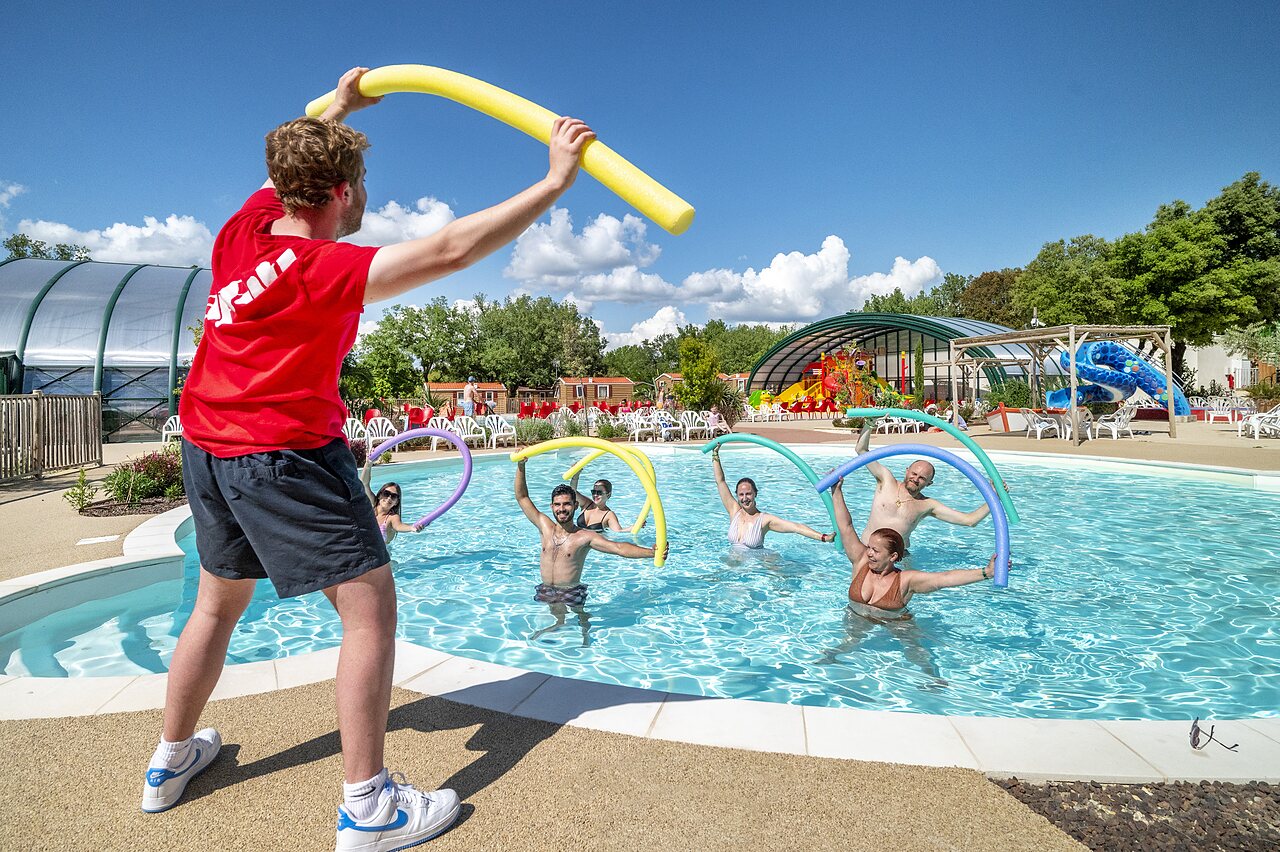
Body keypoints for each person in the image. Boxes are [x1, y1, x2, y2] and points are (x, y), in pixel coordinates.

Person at [149, 66, 595, 851]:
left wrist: (339, 106)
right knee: (371, 611)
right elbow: (454, 249)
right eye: (362, 183)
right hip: (282, 455)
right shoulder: (328, 270)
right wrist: (554, 180)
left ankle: (171, 760)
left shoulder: (243, 231)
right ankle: (368, 808)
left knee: (216, 607)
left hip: (207, 446)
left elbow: (283, 164)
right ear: (343, 192)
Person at [514, 459, 667, 642]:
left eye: (567, 504)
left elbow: (618, 548)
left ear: (575, 506)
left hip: (571, 589)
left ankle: (585, 627)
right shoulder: (545, 527)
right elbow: (522, 498)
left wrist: (651, 552)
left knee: (579, 613)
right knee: (558, 615)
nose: (562, 509)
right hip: (548, 588)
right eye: (557, 505)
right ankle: (558, 624)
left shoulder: (584, 537)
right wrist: (521, 466)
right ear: (552, 507)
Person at [828, 478, 996, 614]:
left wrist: (986, 573)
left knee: (918, 655)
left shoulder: (906, 580)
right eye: (870, 547)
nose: (869, 553)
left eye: (876, 550)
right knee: (833, 653)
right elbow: (846, 527)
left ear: (893, 557)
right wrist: (836, 491)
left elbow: (944, 579)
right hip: (856, 620)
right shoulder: (861, 560)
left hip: (896, 626)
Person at [852, 422, 991, 550]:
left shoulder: (927, 505)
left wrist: (995, 496)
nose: (915, 479)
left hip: (898, 558)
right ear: (907, 471)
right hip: (867, 550)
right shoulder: (886, 480)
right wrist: (870, 423)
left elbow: (969, 521)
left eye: (922, 478)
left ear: (929, 483)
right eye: (914, 473)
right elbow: (861, 450)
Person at [710, 445, 834, 549]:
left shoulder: (764, 520)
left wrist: (823, 537)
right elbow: (720, 481)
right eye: (741, 495)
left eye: (748, 493)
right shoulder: (734, 511)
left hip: (756, 567)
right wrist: (715, 455)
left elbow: (797, 527)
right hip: (734, 566)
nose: (745, 498)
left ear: (755, 494)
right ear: (737, 496)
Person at [361, 459, 422, 543]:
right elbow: (364, 484)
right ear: (379, 495)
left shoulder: (392, 517)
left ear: (396, 502)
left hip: (380, 554)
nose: (389, 498)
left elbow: (399, 526)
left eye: (394, 496)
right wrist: (368, 463)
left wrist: (412, 528)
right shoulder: (372, 505)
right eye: (386, 493)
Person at [566, 472, 643, 531]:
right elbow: (572, 492)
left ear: (608, 495)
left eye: (599, 493)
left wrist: (636, 525)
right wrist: (576, 474)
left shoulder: (609, 515)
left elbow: (619, 532)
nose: (595, 495)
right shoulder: (587, 504)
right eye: (593, 492)